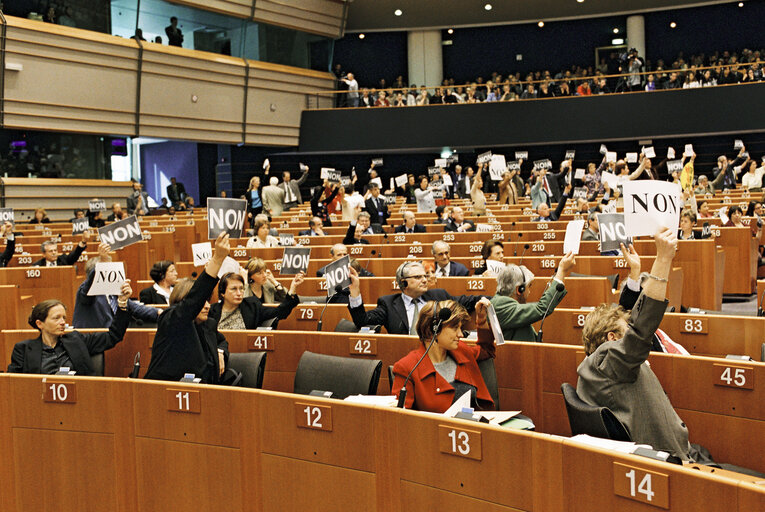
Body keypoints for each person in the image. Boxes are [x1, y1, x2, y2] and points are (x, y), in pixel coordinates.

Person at [576, 228, 701, 460]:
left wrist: (634, 272)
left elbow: (630, 319)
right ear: (612, 338)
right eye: (626, 329)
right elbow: (641, 328)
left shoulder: (597, 364)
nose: (631, 326)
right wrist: (662, 259)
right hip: (672, 457)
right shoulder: (609, 359)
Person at [144, 233, 232, 383]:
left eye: (207, 301)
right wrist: (217, 260)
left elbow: (222, 341)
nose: (207, 306)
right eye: (202, 302)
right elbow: (192, 302)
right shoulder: (171, 320)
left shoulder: (208, 324)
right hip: (162, 394)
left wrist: (220, 352)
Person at [391, 299, 496, 412]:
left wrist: (481, 320)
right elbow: (401, 418)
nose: (460, 334)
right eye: (455, 328)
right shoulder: (407, 368)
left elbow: (487, 350)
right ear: (433, 329)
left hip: (476, 426)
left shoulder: (461, 350)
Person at [8, 284, 132, 375]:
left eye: (64, 318)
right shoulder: (23, 349)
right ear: (40, 324)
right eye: (56, 318)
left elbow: (113, 336)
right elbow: (15, 383)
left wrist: (122, 303)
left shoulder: (77, 339)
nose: (63, 322)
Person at [346, 261, 484, 335]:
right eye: (418, 277)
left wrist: (494, 299)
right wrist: (355, 291)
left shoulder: (439, 295)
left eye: (425, 276)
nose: (424, 280)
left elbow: (468, 300)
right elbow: (362, 321)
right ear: (403, 282)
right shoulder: (388, 304)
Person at [490, 253, 575, 342]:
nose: (530, 291)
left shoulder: (502, 302)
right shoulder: (500, 305)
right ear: (520, 289)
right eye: (529, 286)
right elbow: (542, 308)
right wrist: (562, 270)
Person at [72, 243, 160, 328]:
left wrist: (160, 312)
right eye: (108, 268)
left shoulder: (113, 291)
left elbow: (135, 308)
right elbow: (88, 287)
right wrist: (102, 263)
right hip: (91, 340)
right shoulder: (87, 291)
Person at [209, 271, 304, 330]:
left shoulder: (252, 306)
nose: (239, 293)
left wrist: (293, 288)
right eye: (233, 289)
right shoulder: (211, 311)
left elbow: (280, 312)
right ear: (222, 293)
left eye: (241, 289)